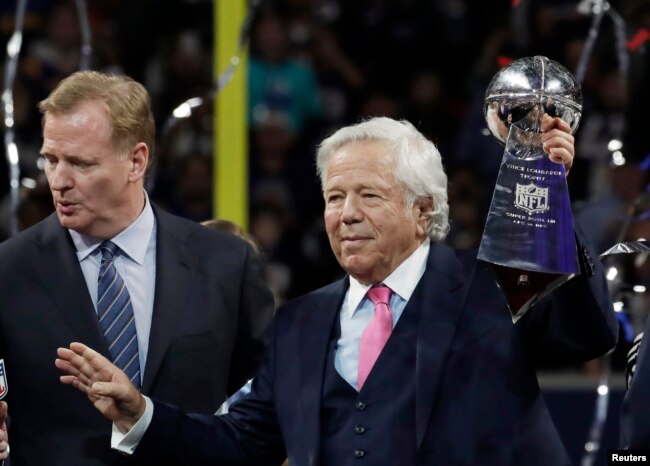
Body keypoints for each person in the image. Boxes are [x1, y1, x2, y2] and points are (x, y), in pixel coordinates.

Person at [53, 116, 617, 466]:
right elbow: (243, 444)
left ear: (424, 212)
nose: (345, 215)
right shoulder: (300, 321)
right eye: (333, 197)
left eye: (368, 196)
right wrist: (141, 413)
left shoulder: (490, 286)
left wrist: (551, 207)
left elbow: (587, 334)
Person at [0, 70, 274, 465]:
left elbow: (266, 415)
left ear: (136, 160)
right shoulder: (8, 272)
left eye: (80, 163)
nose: (58, 181)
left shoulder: (226, 265)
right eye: (51, 159)